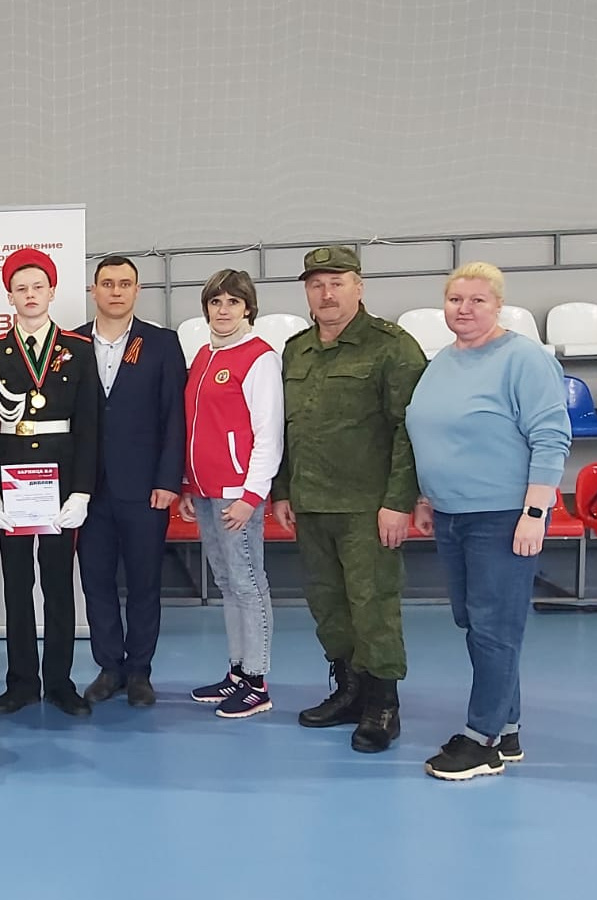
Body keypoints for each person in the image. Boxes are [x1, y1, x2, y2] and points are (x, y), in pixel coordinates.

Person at [406, 262, 571, 780]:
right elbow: (431, 431)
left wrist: (535, 513)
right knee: (476, 624)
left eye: (478, 300)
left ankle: (481, 741)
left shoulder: (524, 359)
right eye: (456, 299)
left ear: (499, 306)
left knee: (495, 629)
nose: (465, 309)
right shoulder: (442, 361)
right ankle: (508, 727)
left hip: (502, 516)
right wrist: (427, 497)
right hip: (451, 514)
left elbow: (551, 437)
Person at [272, 246, 426, 754]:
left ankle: (383, 704)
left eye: (337, 282)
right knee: (328, 605)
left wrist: (399, 501)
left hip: (368, 506)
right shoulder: (296, 351)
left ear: (358, 287)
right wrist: (283, 490)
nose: (327, 293)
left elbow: (410, 430)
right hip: (312, 502)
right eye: (316, 284)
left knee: (373, 604)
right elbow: (287, 429)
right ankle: (349, 690)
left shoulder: (392, 347)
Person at [0, 248, 100, 717]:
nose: (30, 295)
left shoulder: (78, 349)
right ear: (9, 297)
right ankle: (22, 682)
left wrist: (82, 490)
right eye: (20, 288)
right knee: (16, 586)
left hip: (60, 482)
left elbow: (89, 425)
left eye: (38, 287)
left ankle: (61, 682)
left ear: (52, 292)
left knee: (58, 585)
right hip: (12, 482)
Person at [72, 256, 185, 708]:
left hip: (144, 487)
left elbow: (174, 416)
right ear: (93, 290)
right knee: (95, 581)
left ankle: (139, 670)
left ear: (137, 291)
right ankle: (109, 667)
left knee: (144, 583)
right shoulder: (72, 343)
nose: (116, 291)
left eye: (125, 284)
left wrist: (168, 479)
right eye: (107, 283)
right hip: (86, 489)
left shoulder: (161, 343)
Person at [178, 270, 283, 719]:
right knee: (226, 583)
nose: (223, 310)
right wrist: (188, 484)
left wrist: (251, 495)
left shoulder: (259, 357)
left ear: (248, 308)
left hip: (236, 494)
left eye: (233, 302)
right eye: (215, 302)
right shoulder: (204, 355)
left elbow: (268, 433)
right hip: (204, 492)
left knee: (248, 583)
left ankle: (257, 681)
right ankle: (238, 672)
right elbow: (196, 426)